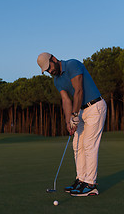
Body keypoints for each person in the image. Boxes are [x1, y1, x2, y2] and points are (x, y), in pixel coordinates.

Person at [37, 52, 107, 196]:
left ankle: (90, 184)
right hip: (80, 110)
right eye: (46, 70)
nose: (50, 71)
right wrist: (69, 120)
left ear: (54, 59)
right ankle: (81, 180)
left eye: (49, 67)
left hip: (95, 107)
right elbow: (66, 100)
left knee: (89, 144)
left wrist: (74, 115)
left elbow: (79, 91)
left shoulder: (72, 64)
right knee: (77, 145)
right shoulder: (56, 80)